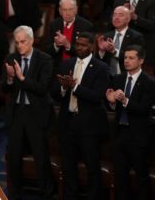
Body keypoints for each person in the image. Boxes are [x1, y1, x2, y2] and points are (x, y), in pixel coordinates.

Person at [53, 32, 110, 200]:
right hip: (68, 123)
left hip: (89, 126)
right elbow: (55, 93)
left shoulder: (101, 68)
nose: (79, 47)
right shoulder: (66, 64)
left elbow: (97, 96)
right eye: (77, 44)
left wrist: (74, 87)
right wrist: (63, 88)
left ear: (92, 46)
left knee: (92, 167)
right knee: (68, 166)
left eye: (84, 45)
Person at [1, 25, 54, 200]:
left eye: (23, 42)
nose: (20, 46)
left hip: (36, 113)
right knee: (14, 156)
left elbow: (42, 88)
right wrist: (10, 78)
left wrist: (22, 78)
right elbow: (5, 89)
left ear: (31, 41)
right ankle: (15, 193)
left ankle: (46, 192)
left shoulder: (44, 59)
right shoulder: (11, 58)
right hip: (17, 112)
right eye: (17, 43)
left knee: (40, 156)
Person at [106, 45, 154, 200]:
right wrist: (111, 102)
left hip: (138, 137)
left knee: (141, 177)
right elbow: (113, 105)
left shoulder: (149, 82)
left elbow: (143, 109)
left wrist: (125, 100)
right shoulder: (118, 79)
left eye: (131, 58)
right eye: (125, 57)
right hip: (120, 134)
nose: (126, 61)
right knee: (120, 177)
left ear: (141, 60)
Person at [113, 0, 155, 68]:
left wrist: (135, 17)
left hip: (144, 46)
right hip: (122, 47)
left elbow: (153, 25)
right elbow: (112, 23)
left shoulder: (152, 0)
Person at [45, 0, 93, 69]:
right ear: (60, 11)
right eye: (64, 10)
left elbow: (86, 53)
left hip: (78, 67)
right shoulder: (54, 24)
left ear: (76, 10)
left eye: (70, 9)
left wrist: (68, 45)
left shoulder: (86, 26)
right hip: (57, 67)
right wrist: (56, 45)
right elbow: (47, 51)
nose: (68, 13)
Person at [97, 6, 144, 76]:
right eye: (114, 15)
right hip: (106, 75)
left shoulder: (136, 37)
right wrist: (101, 51)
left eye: (121, 15)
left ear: (128, 19)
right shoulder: (106, 36)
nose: (116, 18)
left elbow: (134, 59)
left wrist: (114, 51)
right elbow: (98, 61)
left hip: (125, 75)